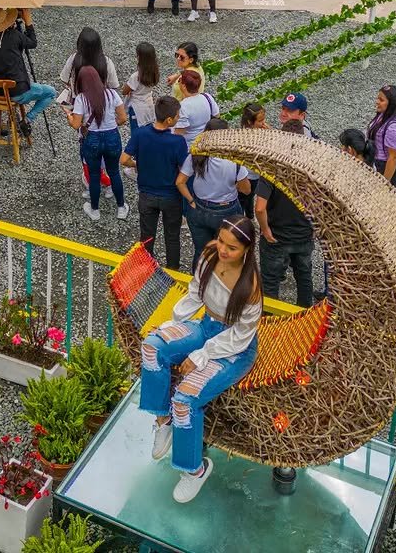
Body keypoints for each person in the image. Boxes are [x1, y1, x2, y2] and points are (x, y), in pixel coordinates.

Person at [140, 216, 262, 503]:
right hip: (207, 325)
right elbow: (196, 292)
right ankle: (162, 419)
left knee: (185, 397)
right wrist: (174, 324)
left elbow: (240, 337)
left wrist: (202, 354)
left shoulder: (251, 286)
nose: (223, 249)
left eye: (231, 247)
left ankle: (194, 470)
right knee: (152, 346)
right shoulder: (209, 254)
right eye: (221, 241)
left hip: (234, 348)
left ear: (246, 249)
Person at [121, 97, 189, 270]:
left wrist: (137, 164)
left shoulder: (140, 134)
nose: (178, 117)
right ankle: (173, 271)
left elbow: (124, 159)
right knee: (172, 236)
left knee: (147, 236)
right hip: (171, 197)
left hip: (146, 194)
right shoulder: (178, 142)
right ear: (169, 120)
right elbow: (185, 168)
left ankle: (145, 268)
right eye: (177, 115)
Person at [255, 118, 316, 307]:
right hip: (303, 235)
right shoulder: (311, 169)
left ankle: (271, 325)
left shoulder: (272, 167)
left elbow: (259, 207)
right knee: (304, 278)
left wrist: (265, 230)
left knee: (271, 283)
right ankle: (305, 318)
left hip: (277, 237)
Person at [177, 118, 250, 270]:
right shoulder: (234, 160)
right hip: (227, 210)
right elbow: (247, 190)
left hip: (199, 208)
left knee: (201, 251)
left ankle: (198, 282)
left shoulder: (196, 155)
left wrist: (190, 200)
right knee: (225, 252)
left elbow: (180, 182)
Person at [0, 8, 56, 133]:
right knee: (51, 92)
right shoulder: (14, 35)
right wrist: (28, 22)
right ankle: (27, 120)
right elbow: (33, 42)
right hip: (17, 92)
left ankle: (9, 120)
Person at [68, 66, 128, 222]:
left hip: (92, 139)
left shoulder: (81, 98)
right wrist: (110, 124)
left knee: (94, 176)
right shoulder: (112, 94)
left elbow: (76, 125)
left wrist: (69, 115)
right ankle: (121, 207)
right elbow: (122, 118)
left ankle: (95, 210)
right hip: (112, 137)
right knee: (114, 172)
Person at [59, 27, 120, 105]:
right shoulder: (106, 61)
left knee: (76, 117)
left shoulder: (74, 59)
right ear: (99, 45)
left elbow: (64, 79)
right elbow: (113, 85)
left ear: (79, 44)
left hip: (77, 101)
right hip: (100, 103)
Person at [366, 85, 396, 185]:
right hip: (375, 160)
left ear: (391, 104)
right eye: (378, 98)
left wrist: (384, 183)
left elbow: (393, 158)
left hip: (381, 166)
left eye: (381, 100)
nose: (377, 102)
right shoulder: (385, 114)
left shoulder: (394, 129)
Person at [121, 42, 159, 135]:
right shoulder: (155, 72)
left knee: (136, 133)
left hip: (136, 107)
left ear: (139, 58)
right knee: (148, 129)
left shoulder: (136, 76)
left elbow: (124, 91)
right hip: (148, 104)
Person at [173, 69, 219, 147]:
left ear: (184, 86)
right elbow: (217, 116)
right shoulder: (207, 97)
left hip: (190, 147)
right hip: (206, 142)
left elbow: (179, 135)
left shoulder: (183, 106)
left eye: (179, 81)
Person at [238, 103, 268, 219]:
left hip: (255, 175)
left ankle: (249, 215)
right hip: (246, 176)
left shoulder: (259, 131)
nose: (263, 123)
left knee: (249, 197)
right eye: (260, 121)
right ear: (250, 122)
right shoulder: (245, 138)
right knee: (243, 198)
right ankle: (241, 220)